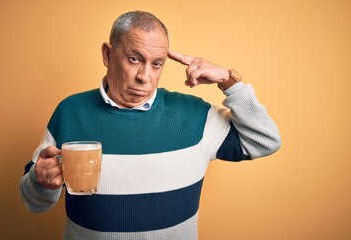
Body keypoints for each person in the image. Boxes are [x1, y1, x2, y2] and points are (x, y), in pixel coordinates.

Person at [19, 10, 281, 240]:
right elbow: (34, 203)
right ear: (108, 54)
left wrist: (228, 80)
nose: (145, 77)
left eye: (156, 64)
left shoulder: (195, 116)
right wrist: (40, 183)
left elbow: (265, 141)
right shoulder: (70, 112)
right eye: (134, 59)